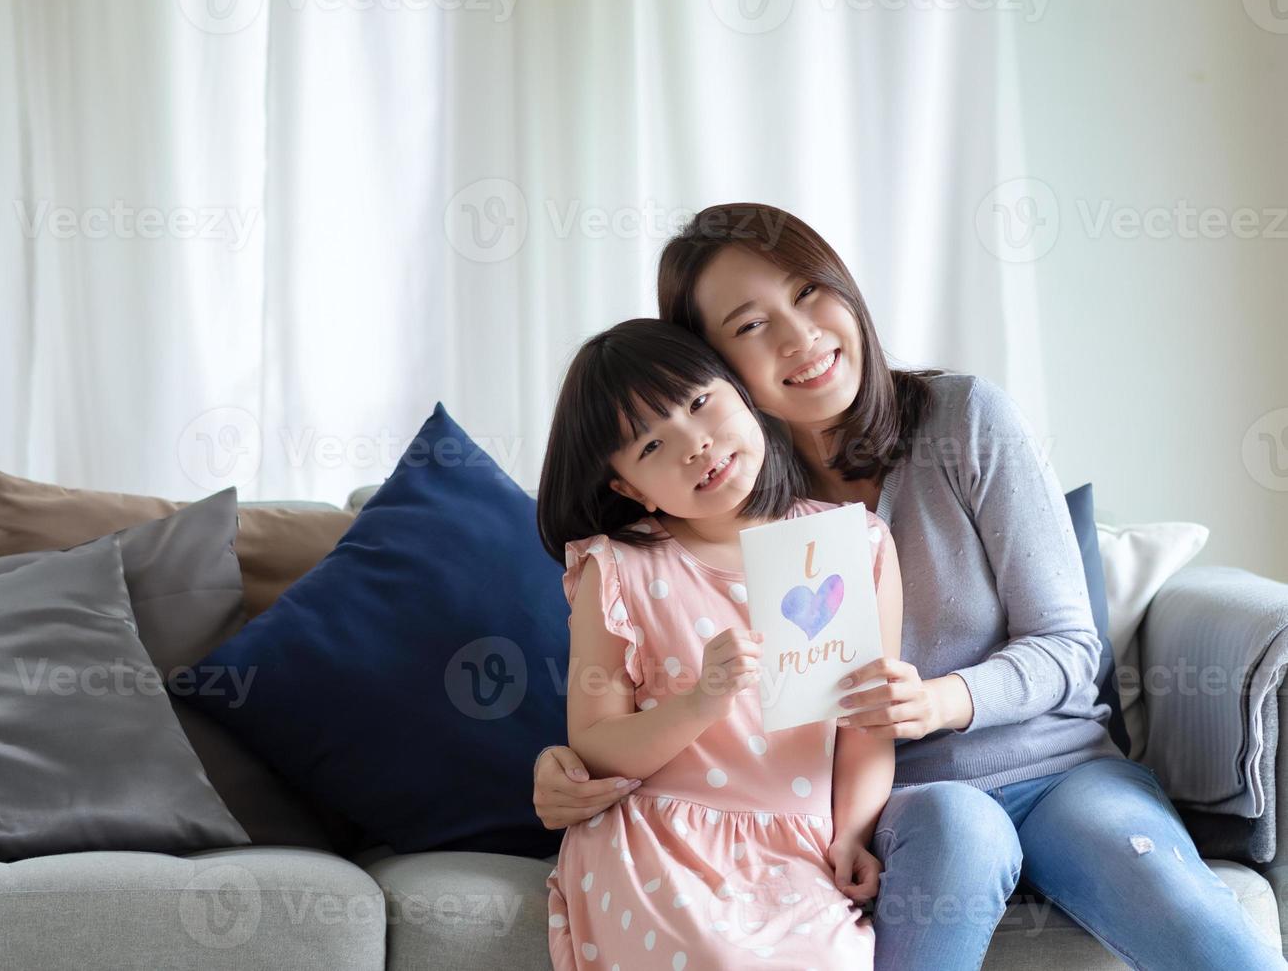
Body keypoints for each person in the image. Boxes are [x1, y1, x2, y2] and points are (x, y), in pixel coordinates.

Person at [534, 204, 1287, 969]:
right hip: (904, 804)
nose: (800, 337)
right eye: (751, 326)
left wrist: (940, 701)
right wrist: (566, 763)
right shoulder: (722, 505)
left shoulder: (966, 420)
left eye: (806, 292)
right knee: (961, 829)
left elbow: (1068, 644)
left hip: (1060, 771)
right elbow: (652, 692)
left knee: (1190, 919)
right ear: (715, 365)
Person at [538, 318, 902, 969]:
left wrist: (852, 833)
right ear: (626, 487)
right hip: (658, 839)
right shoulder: (617, 568)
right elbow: (594, 742)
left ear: (741, 390)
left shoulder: (855, 544)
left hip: (798, 844)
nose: (695, 445)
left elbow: (867, 724)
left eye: (701, 403)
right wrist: (701, 702)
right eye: (651, 447)